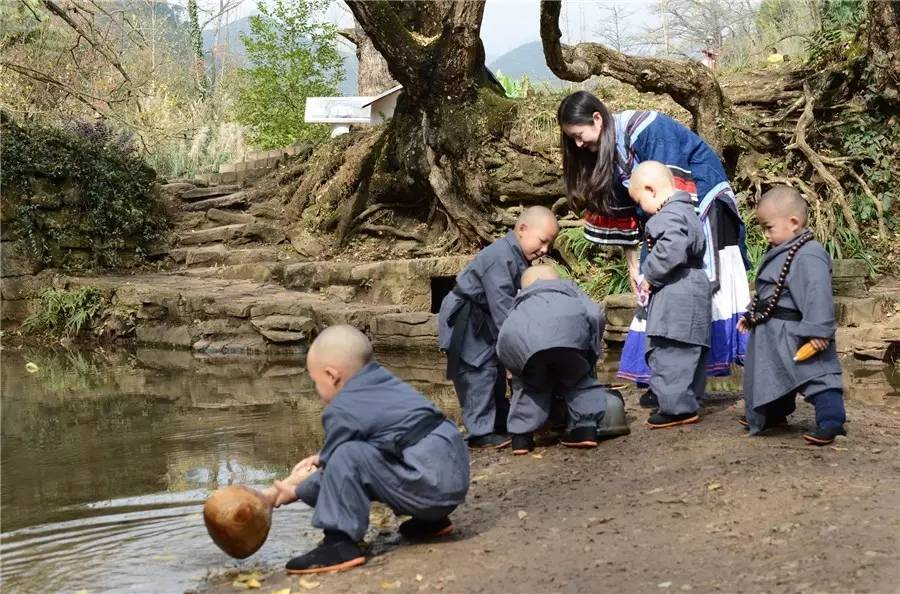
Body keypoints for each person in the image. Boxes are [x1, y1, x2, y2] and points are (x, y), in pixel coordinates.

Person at [556, 91, 750, 408]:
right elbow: (631, 211)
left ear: (596, 119)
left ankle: (679, 382)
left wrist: (652, 265)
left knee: (691, 289)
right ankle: (664, 380)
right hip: (663, 222)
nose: (578, 145)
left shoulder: (648, 130)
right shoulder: (609, 152)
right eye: (571, 140)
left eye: (578, 136)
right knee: (657, 289)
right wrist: (635, 265)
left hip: (699, 206)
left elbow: (669, 199)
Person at [262, 325, 469, 574]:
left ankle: (338, 545)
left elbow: (336, 471)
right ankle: (431, 522)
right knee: (366, 453)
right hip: (453, 475)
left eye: (315, 382)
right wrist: (321, 457)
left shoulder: (342, 409)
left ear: (331, 375)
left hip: (430, 488)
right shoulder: (384, 381)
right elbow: (390, 439)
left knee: (347, 455)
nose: (317, 391)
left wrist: (295, 491)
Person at [437, 206, 560, 449]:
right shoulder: (499, 258)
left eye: (550, 244)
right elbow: (503, 310)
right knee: (477, 372)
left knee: (493, 371)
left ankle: (499, 419)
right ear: (523, 229)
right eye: (543, 241)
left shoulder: (518, 256)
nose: (545, 249)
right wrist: (520, 351)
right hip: (467, 319)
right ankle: (480, 432)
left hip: (483, 319)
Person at [737, 186, 847, 445]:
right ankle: (773, 414)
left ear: (794, 222)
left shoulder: (808, 254)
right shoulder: (782, 249)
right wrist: (751, 314)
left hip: (796, 332)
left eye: (769, 227)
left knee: (816, 375)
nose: (765, 235)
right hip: (771, 332)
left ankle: (831, 421)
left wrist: (818, 331)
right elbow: (768, 291)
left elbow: (817, 293)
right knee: (770, 374)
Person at [496, 265, 628, 454]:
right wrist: (590, 352)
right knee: (578, 381)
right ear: (557, 280)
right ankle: (585, 429)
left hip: (524, 345)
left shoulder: (519, 302)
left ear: (523, 288)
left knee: (530, 386)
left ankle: (521, 439)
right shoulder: (569, 291)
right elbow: (594, 315)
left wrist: (515, 368)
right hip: (569, 341)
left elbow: (505, 336)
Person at [628, 162, 711, 428]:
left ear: (651, 190)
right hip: (695, 288)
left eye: (640, 201)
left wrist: (649, 275)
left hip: (676, 292)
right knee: (690, 351)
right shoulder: (689, 212)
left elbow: (671, 248)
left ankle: (677, 408)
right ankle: (689, 399)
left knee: (669, 350)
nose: (641, 208)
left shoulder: (667, 216)